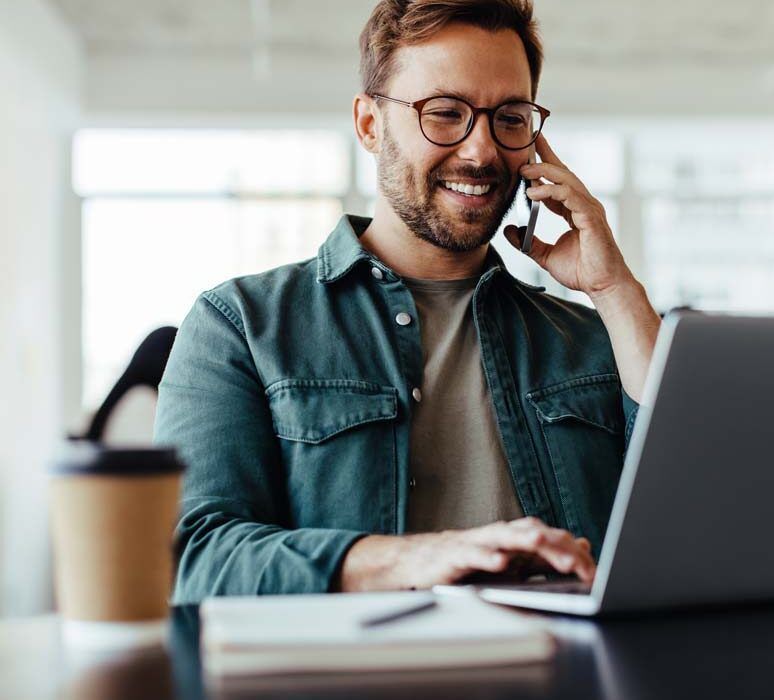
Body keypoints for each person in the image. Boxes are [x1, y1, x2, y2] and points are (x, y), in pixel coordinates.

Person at [154, 0, 661, 603]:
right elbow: (193, 559)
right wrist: (418, 556)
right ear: (370, 124)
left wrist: (615, 291)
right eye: (445, 113)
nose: (481, 152)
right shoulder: (240, 326)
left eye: (510, 117)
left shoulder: (592, 339)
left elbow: (700, 512)